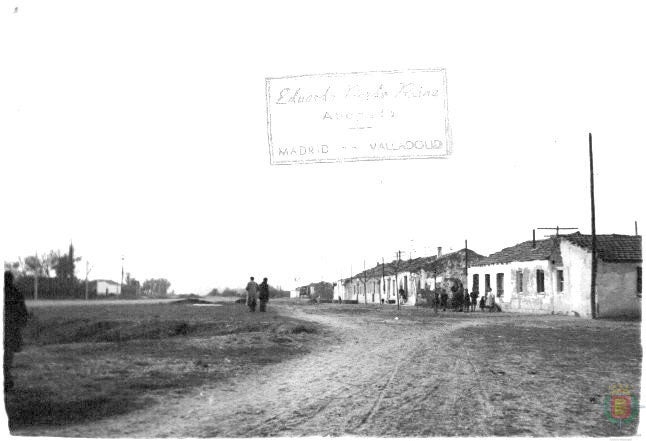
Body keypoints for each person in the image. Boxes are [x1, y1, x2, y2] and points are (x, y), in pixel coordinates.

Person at [4, 271, 29, 392]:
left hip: (9, 328)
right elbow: (23, 312)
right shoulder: (16, 293)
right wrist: (22, 323)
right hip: (11, 329)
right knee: (7, 355)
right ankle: (6, 378)